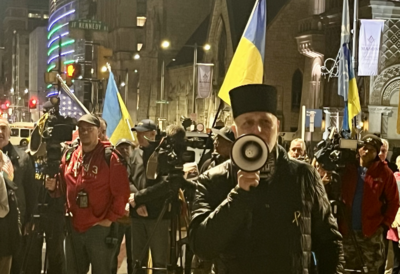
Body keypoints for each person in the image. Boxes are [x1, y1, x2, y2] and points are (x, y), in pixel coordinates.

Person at [189, 84, 344, 273]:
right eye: (248, 122)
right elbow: (202, 246)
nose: (258, 129)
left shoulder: (304, 175)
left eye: (265, 121)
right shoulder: (213, 179)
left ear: (277, 127)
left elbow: (330, 243)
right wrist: (238, 196)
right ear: (235, 131)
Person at [45, 114, 130, 274]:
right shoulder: (70, 155)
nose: (84, 132)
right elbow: (62, 187)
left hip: (99, 228)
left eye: (89, 129)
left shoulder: (110, 157)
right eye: (81, 129)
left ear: (98, 131)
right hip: (73, 227)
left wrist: (110, 219)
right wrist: (53, 188)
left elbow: (121, 193)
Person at [340, 134, 399, 274]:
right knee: (346, 269)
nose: (366, 151)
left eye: (371, 149)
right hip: (347, 231)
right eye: (364, 147)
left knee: (372, 269)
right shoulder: (347, 169)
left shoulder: (385, 173)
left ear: (377, 153)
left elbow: (393, 202)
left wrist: (384, 225)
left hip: (371, 233)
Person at [129, 119, 172, 274]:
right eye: (138, 133)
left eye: (142, 133)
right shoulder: (134, 153)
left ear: (153, 134)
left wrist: (140, 198)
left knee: (159, 262)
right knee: (137, 260)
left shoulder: (163, 154)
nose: (139, 137)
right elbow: (127, 179)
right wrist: (137, 202)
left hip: (158, 215)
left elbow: (166, 183)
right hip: (137, 214)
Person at [0, 118, 37, 274]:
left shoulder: (23, 158)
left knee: (15, 266)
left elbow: (31, 191)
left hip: (15, 224)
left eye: (3, 128)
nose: (0, 132)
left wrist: (30, 219)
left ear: (9, 132)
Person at [112, 138, 136, 274]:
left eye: (127, 148)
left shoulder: (135, 166)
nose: (125, 151)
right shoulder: (113, 165)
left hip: (132, 215)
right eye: (121, 148)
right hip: (118, 215)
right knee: (113, 251)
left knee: (133, 252)